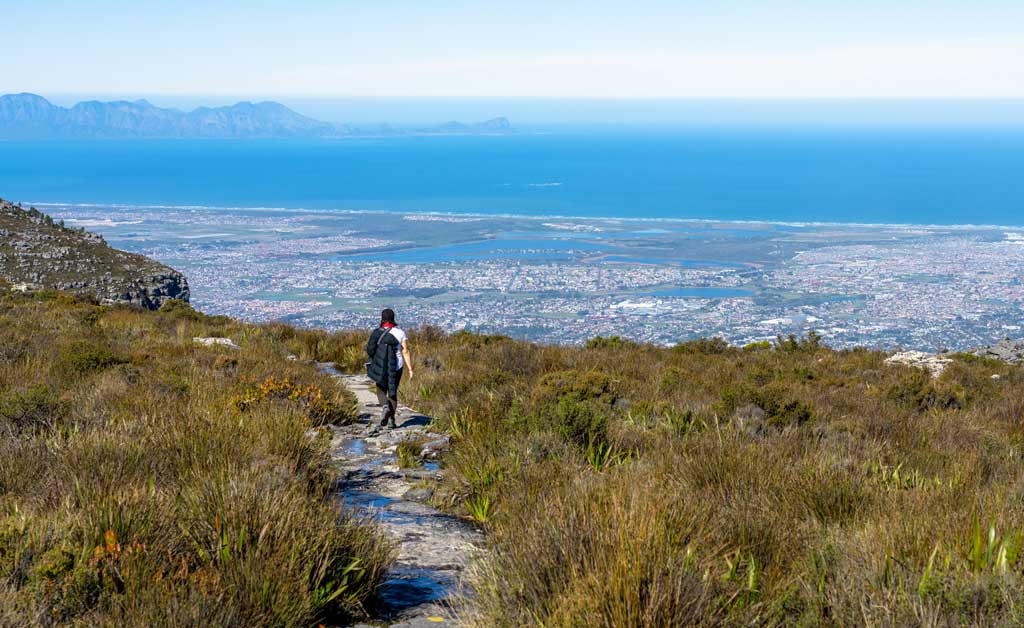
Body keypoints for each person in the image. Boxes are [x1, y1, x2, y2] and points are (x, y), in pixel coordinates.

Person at [365, 308, 413, 432]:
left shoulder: (377, 332)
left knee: (380, 390)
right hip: (397, 366)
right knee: (393, 391)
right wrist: (410, 369)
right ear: (393, 318)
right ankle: (391, 420)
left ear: (382, 318)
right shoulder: (400, 333)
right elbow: (405, 351)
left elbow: (370, 350)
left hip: (380, 366)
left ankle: (385, 407)